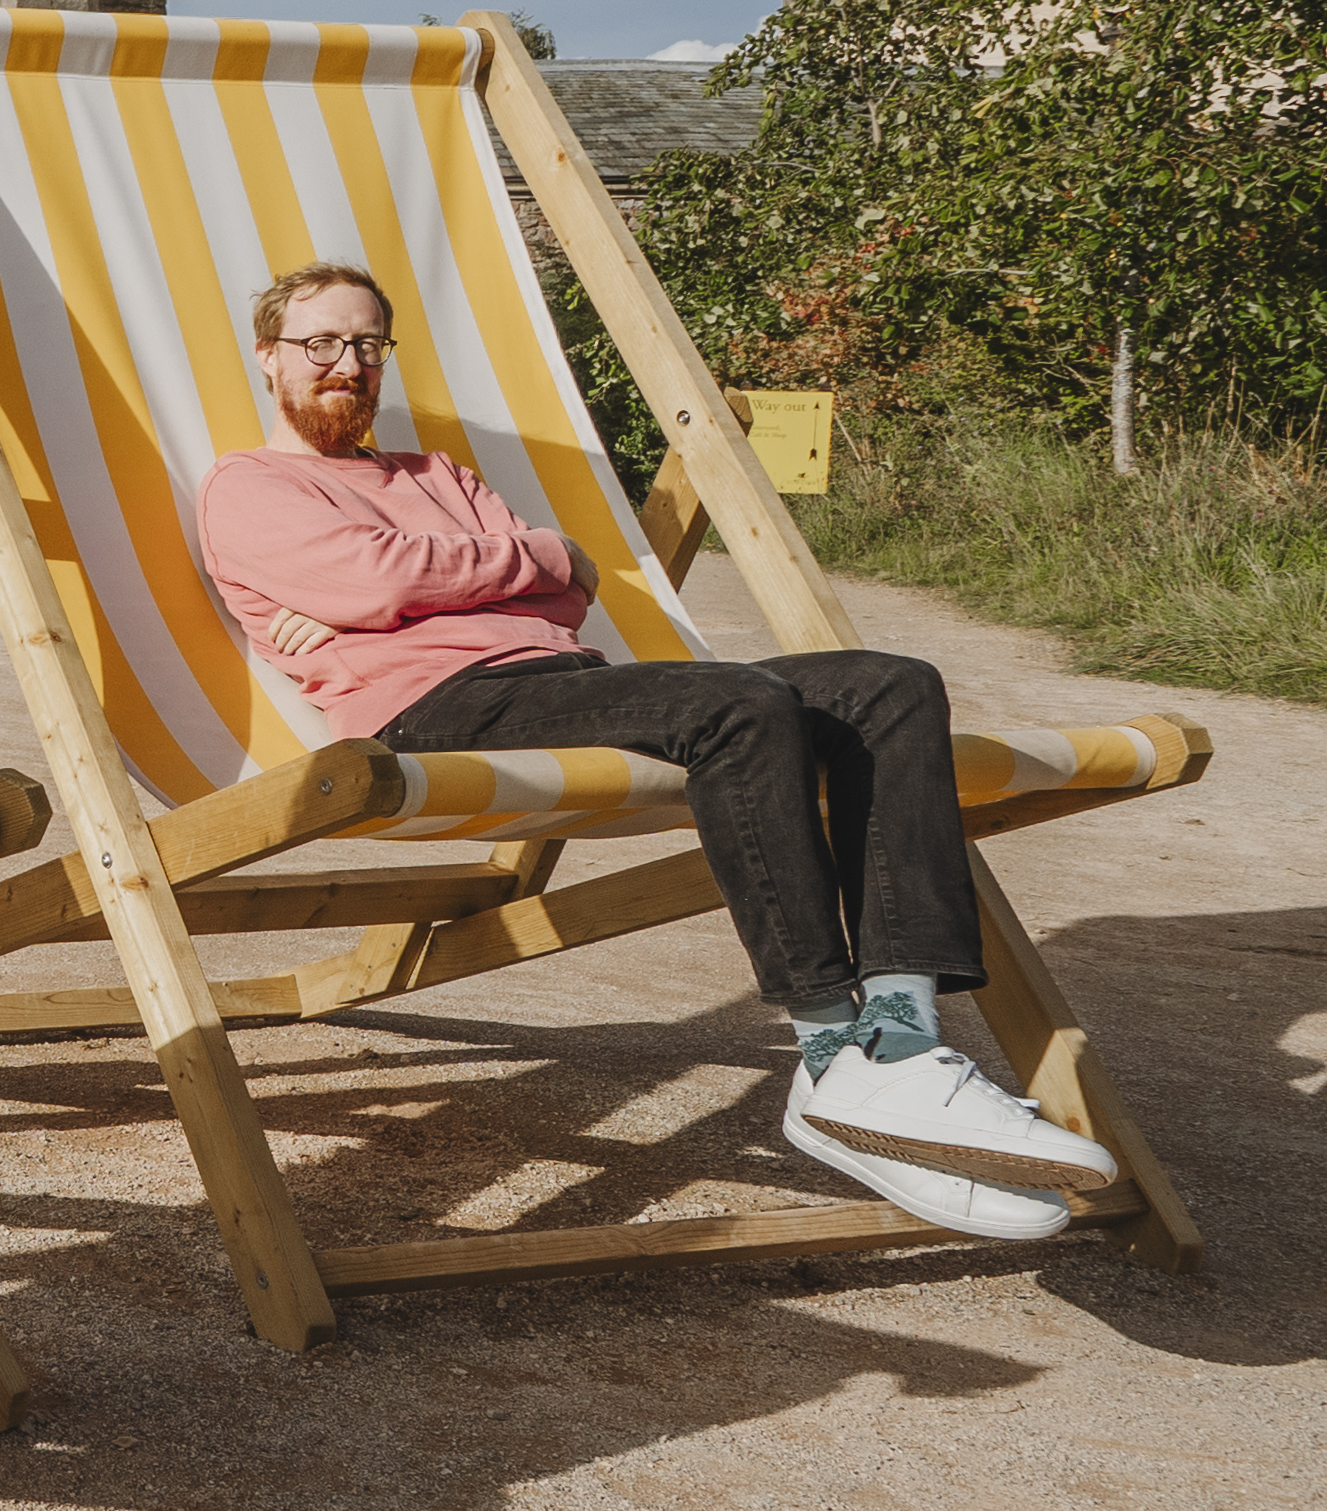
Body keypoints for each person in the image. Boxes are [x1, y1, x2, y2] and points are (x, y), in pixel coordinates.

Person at [191, 261, 1115, 1239]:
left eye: (368, 343)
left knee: (891, 684)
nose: (347, 363)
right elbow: (372, 581)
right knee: (743, 703)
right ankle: (832, 1044)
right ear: (269, 356)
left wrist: (470, 576)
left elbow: (565, 589)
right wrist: (519, 560)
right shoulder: (248, 484)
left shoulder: (439, 475)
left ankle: (895, 1040)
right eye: (321, 343)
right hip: (432, 708)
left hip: (559, 677)